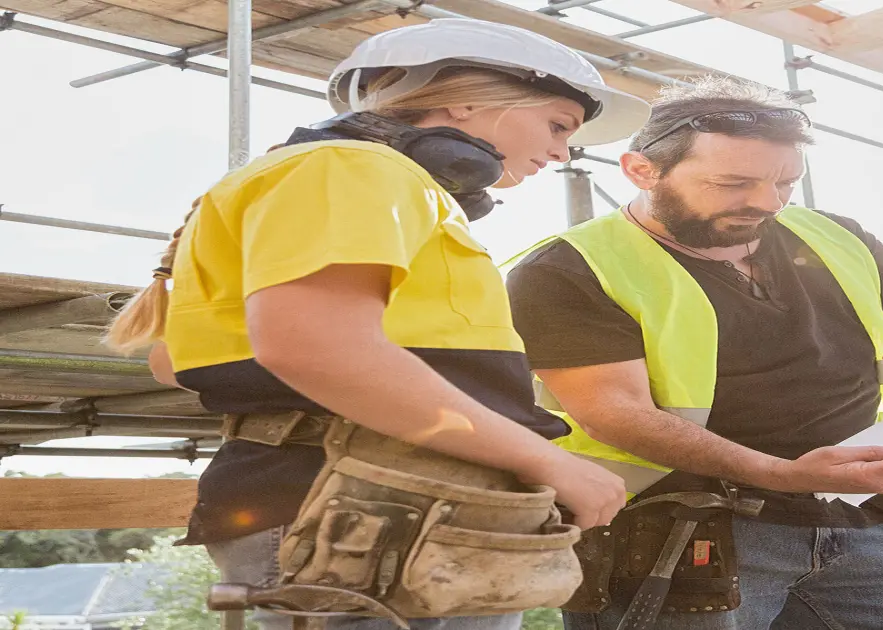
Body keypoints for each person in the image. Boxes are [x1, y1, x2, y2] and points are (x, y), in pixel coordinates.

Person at [104, 18, 650, 630]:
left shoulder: (345, 179)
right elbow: (318, 347)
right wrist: (548, 460)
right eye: (557, 125)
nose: (561, 152)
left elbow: (176, 359)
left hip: (393, 505)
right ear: (465, 98)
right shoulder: (351, 170)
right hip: (367, 506)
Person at [504, 76, 883, 630]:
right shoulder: (567, 269)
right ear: (641, 170)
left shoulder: (833, 235)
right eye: (733, 183)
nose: (766, 203)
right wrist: (780, 473)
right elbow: (615, 413)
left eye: (785, 182)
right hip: (680, 526)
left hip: (857, 514)